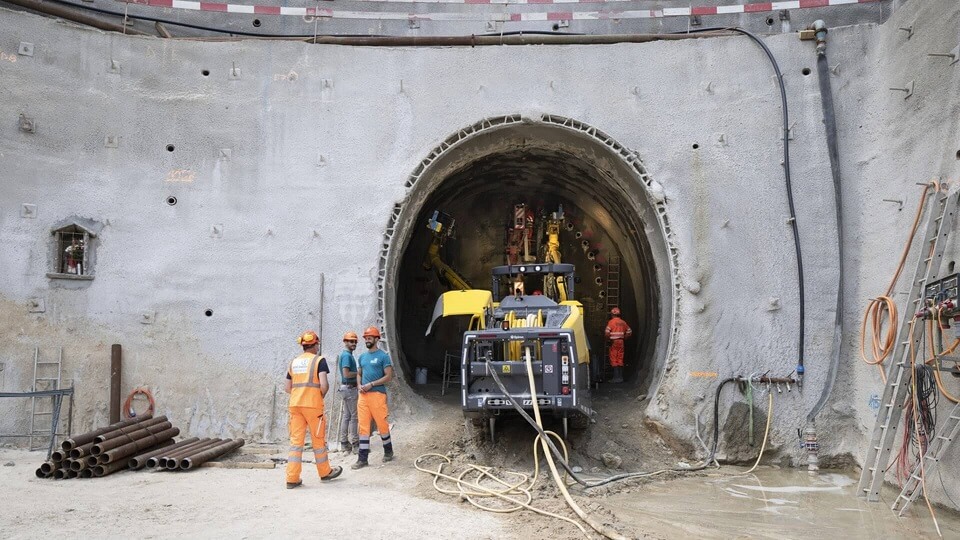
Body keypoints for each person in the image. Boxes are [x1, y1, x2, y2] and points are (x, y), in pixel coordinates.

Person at [284, 330, 342, 489]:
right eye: (317, 344)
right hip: (313, 406)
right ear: (315, 344)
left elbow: (287, 387)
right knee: (318, 440)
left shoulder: (294, 362)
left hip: (295, 405)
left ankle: (292, 478)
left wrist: (300, 395)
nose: (318, 347)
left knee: (296, 443)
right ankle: (325, 472)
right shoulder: (319, 361)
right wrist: (317, 396)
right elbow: (324, 385)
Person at [352, 326, 394, 469]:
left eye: (370, 338)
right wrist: (359, 385)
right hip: (363, 396)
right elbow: (359, 373)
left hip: (377, 395)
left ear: (377, 339)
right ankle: (362, 458)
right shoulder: (362, 357)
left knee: (382, 424)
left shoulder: (383, 356)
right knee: (363, 427)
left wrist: (371, 384)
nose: (367, 340)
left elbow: (389, 376)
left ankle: (388, 451)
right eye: (366, 338)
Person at [337, 331, 360, 454]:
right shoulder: (347, 356)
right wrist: (360, 372)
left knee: (347, 416)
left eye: (355, 341)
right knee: (354, 417)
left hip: (346, 388)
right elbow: (346, 374)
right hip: (350, 388)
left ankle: (344, 443)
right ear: (345, 342)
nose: (354, 343)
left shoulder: (347, 355)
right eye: (351, 341)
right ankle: (356, 444)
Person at [604, 307, 633, 383]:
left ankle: (616, 378)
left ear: (612, 314)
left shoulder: (611, 322)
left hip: (614, 342)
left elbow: (607, 332)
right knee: (620, 358)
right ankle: (620, 378)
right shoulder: (623, 322)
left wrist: (608, 339)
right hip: (621, 342)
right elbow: (629, 331)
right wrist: (624, 337)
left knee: (614, 358)